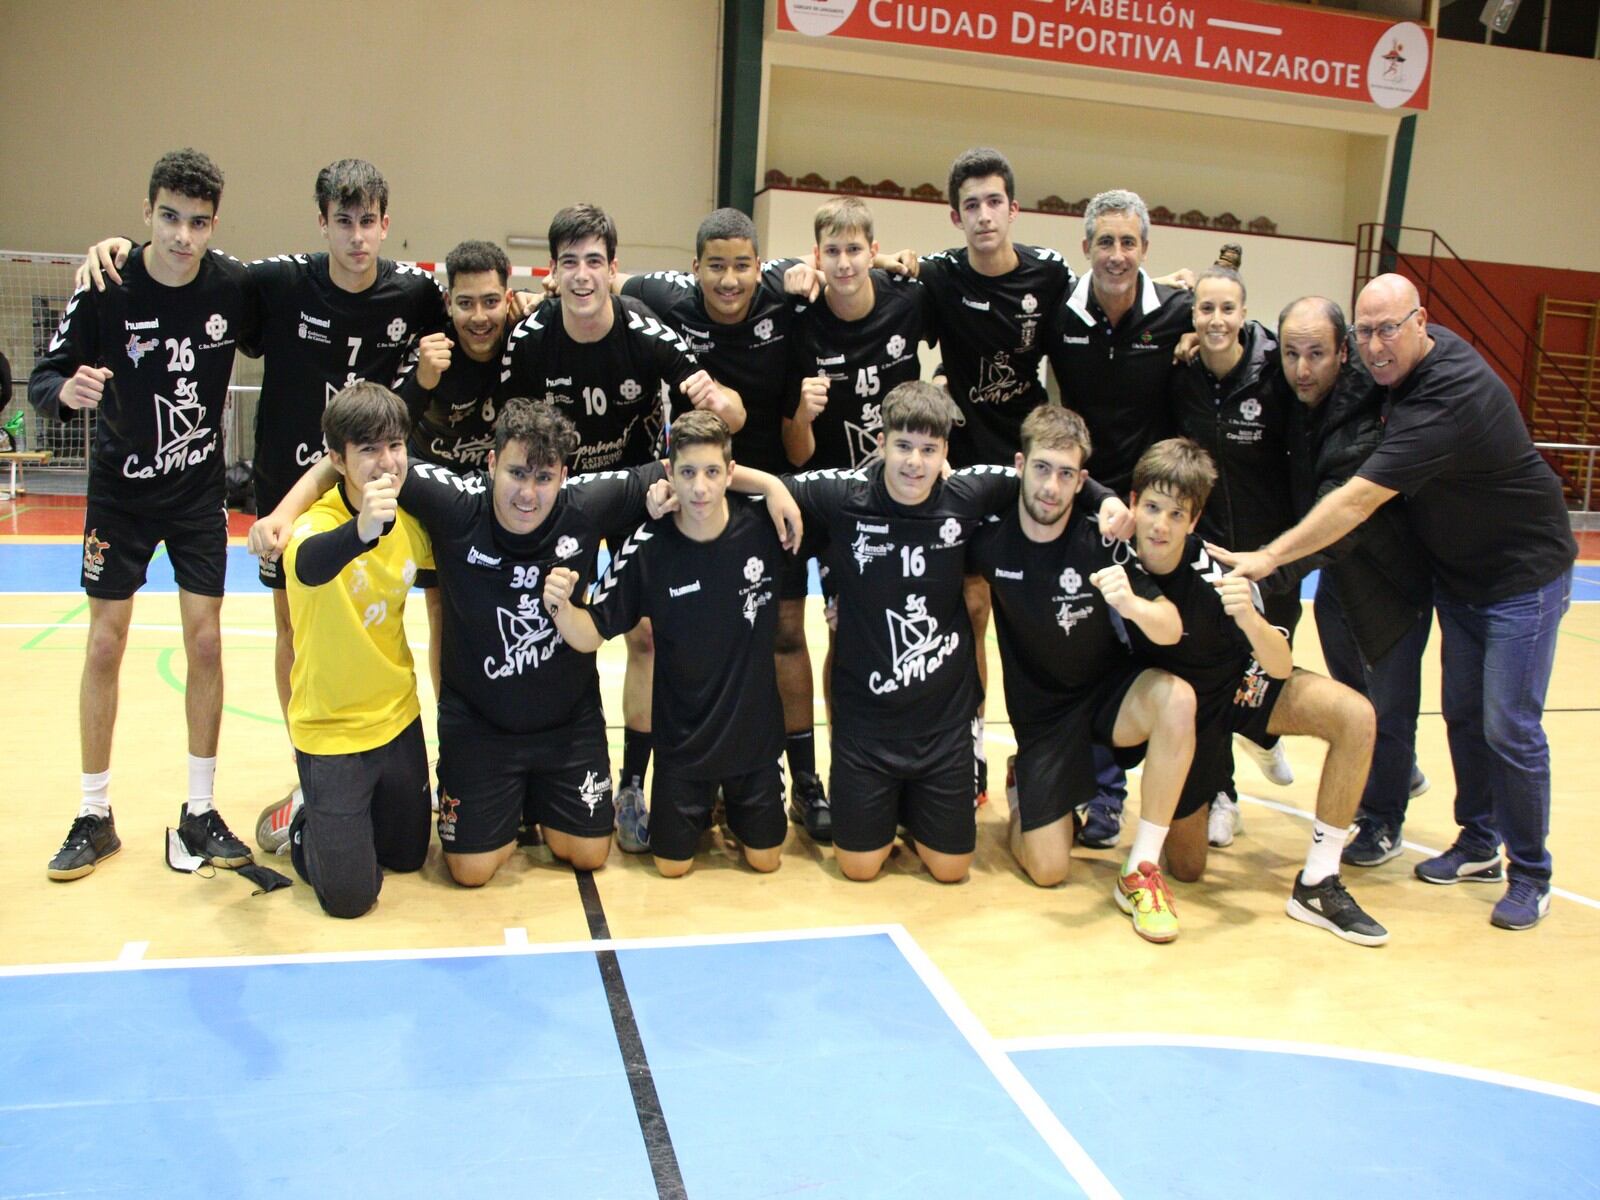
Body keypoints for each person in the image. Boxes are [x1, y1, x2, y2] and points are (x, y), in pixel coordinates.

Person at [251, 398, 798, 886]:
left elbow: (685, 468)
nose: (528, 493)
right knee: (468, 871)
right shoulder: (455, 503)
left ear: (565, 474)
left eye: (544, 477)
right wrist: (282, 511)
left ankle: (532, 801)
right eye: (515, 473)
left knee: (587, 853)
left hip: (568, 723)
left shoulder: (588, 503)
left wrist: (771, 484)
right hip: (479, 725)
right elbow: (355, 459)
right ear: (491, 465)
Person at [79, 159, 450, 796]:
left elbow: (475, 332)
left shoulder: (415, 296)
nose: (356, 237)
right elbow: (188, 271)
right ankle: (309, 769)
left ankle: (400, 754)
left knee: (378, 619)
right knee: (292, 631)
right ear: (322, 224)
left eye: (368, 222)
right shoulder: (277, 283)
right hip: (289, 492)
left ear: (386, 225)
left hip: (373, 486)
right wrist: (123, 252)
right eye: (343, 222)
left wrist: (524, 302)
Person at [1217, 275, 1577, 930]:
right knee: (1465, 717)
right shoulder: (1383, 377)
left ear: (1423, 323)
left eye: (1390, 329)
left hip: (1522, 576)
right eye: (1367, 330)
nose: (1378, 345)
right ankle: (1477, 843)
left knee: (1508, 725)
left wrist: (1269, 561)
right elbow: (1266, 348)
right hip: (1459, 578)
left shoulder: (1446, 399)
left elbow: (1353, 503)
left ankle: (1531, 871)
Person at [783, 380, 1132, 884]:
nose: (914, 462)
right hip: (869, 719)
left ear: (946, 452)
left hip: (942, 720)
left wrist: (1103, 499)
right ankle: (886, 802)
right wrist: (772, 489)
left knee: (950, 870)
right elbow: (768, 485)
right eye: (903, 446)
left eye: (929, 450)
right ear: (880, 444)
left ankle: (948, 792)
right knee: (859, 868)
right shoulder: (847, 494)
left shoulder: (966, 493)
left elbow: (1042, 477)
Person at [31, 149, 257, 880]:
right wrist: (66, 393)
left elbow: (297, 321)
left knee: (206, 643)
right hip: (119, 494)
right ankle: (94, 814)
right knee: (104, 644)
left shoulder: (233, 287)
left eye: (197, 222)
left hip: (196, 495)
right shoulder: (106, 283)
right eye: (169, 217)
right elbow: (43, 377)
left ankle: (199, 808)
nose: (182, 235)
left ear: (213, 224)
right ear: (146, 212)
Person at [500, 203, 744, 851]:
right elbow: (513, 439)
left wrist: (719, 408)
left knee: (645, 638)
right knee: (556, 632)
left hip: (640, 490)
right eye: (570, 263)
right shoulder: (528, 344)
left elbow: (717, 408)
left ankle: (633, 781)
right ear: (551, 273)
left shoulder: (648, 331)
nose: (583, 276)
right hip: (569, 500)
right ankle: (548, 772)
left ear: (615, 270)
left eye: (595, 263)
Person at [1123, 438, 1388, 946]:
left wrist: (1248, 615)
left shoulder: (1217, 575)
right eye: (1152, 508)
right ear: (1134, 503)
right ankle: (1216, 779)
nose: (1161, 524)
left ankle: (1319, 881)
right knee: (1189, 867)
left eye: (1176, 514)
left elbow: (1279, 664)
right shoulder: (1115, 557)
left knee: (1356, 716)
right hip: (1185, 714)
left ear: (1193, 521)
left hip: (1244, 684)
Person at [621, 209, 829, 840]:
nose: (729, 279)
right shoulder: (666, 298)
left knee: (786, 635)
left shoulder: (785, 303)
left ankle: (804, 781)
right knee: (677, 638)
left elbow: (837, 272)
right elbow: (618, 285)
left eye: (742, 265)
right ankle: (661, 778)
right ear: (695, 269)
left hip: (771, 499)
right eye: (716, 266)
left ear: (759, 267)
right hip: (700, 493)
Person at [968, 407, 1195, 923]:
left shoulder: (1103, 539)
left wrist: (1134, 606)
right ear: (1021, 465)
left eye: (1067, 474)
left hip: (1107, 699)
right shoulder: (989, 538)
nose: (1052, 486)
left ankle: (1141, 870)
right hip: (1044, 719)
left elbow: (1172, 624)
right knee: (1049, 870)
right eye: (1043, 468)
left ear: (1082, 481)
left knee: (1177, 699)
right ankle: (1022, 786)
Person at [543, 411, 789, 876]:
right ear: (669, 473)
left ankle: (732, 804)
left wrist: (774, 486)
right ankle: (688, 796)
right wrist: (559, 606)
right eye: (688, 473)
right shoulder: (647, 546)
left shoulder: (762, 526)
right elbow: (589, 633)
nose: (700, 488)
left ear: (731, 475)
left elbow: (846, 493)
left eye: (713, 472)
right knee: (671, 867)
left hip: (755, 748)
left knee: (766, 862)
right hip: (683, 751)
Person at [1042, 189, 1202, 849]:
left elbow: (1231, 329)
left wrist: (1207, 330)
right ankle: (1101, 796)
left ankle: (1206, 785)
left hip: (1154, 516)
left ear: (1145, 248)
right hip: (1085, 507)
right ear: (1086, 248)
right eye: (1104, 242)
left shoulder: (1178, 312)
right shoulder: (1059, 311)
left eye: (1127, 242)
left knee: (1175, 644)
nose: (1116, 254)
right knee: (1090, 649)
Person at [1275, 296, 1432, 868]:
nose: (1302, 368)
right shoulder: (1297, 391)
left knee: (1386, 708)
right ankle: (1399, 770)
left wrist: (1267, 566)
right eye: (1292, 353)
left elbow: (1336, 522)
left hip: (1391, 584)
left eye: (1317, 353)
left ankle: (1383, 819)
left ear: (1344, 352)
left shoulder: (1367, 415)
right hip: (1342, 586)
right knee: (1358, 699)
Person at [279, 382, 433, 917]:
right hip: (332, 732)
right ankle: (303, 822)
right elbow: (308, 564)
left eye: (394, 445)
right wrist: (362, 532)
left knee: (409, 858)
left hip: (396, 720)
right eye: (368, 450)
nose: (386, 462)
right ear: (337, 461)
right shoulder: (313, 525)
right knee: (351, 900)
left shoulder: (412, 520)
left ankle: (342, 820)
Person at [1168, 266, 1297, 847]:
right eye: (1205, 310)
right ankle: (1224, 795)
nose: (1216, 320)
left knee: (1265, 669)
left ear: (1245, 315)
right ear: (1193, 316)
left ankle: (1264, 734)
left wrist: (1282, 551)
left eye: (1227, 309)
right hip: (1214, 553)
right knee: (1216, 676)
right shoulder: (1185, 376)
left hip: (1273, 554)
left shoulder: (1274, 376)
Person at [393, 238, 516, 697]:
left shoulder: (525, 337)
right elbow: (389, 427)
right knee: (442, 612)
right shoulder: (432, 352)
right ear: (449, 303)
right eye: (466, 303)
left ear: (508, 297)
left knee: (507, 607)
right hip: (440, 504)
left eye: (490, 301)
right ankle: (452, 729)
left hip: (502, 501)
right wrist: (421, 381)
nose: (479, 317)